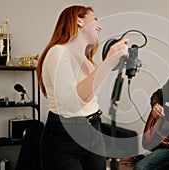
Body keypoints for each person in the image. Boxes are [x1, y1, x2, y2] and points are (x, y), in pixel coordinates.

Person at [36, 5, 129, 170]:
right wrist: (109, 61)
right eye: (94, 20)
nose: (99, 26)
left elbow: (91, 96)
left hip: (93, 129)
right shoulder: (58, 52)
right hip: (65, 136)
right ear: (79, 21)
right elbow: (75, 102)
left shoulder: (86, 60)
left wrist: (111, 63)